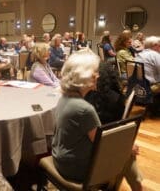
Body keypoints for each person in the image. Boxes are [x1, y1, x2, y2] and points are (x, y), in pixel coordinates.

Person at [52, 50, 142, 190]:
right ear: (85, 76)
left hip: (60, 157)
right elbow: (103, 145)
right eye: (95, 72)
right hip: (74, 168)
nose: (98, 75)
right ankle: (135, 187)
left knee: (126, 149)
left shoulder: (65, 97)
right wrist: (128, 147)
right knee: (127, 154)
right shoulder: (84, 109)